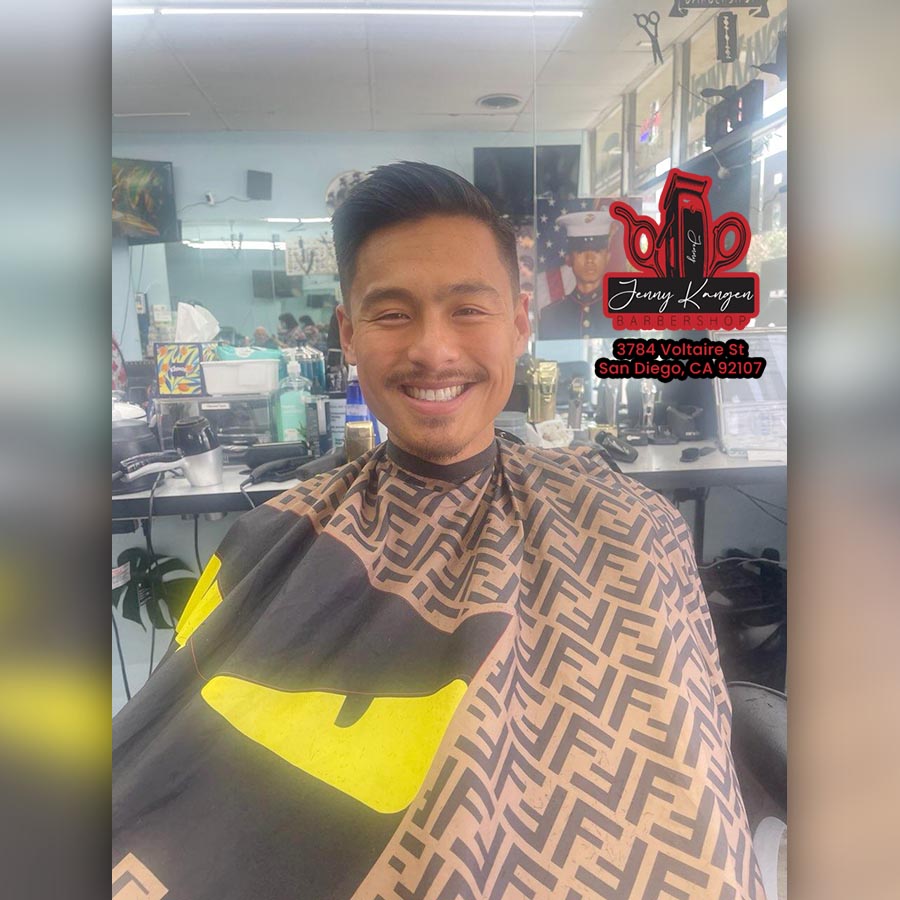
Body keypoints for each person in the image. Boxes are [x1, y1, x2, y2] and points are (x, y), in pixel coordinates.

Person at [112, 162, 763, 900]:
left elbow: (689, 799)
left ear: (519, 322)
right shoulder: (277, 537)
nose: (433, 349)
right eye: (392, 314)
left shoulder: (632, 526)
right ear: (349, 334)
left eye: (468, 309)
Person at [538, 209, 618, 340]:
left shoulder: (625, 312)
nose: (590, 259)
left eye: (597, 251)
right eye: (581, 251)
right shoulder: (550, 316)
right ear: (569, 259)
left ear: (607, 257)